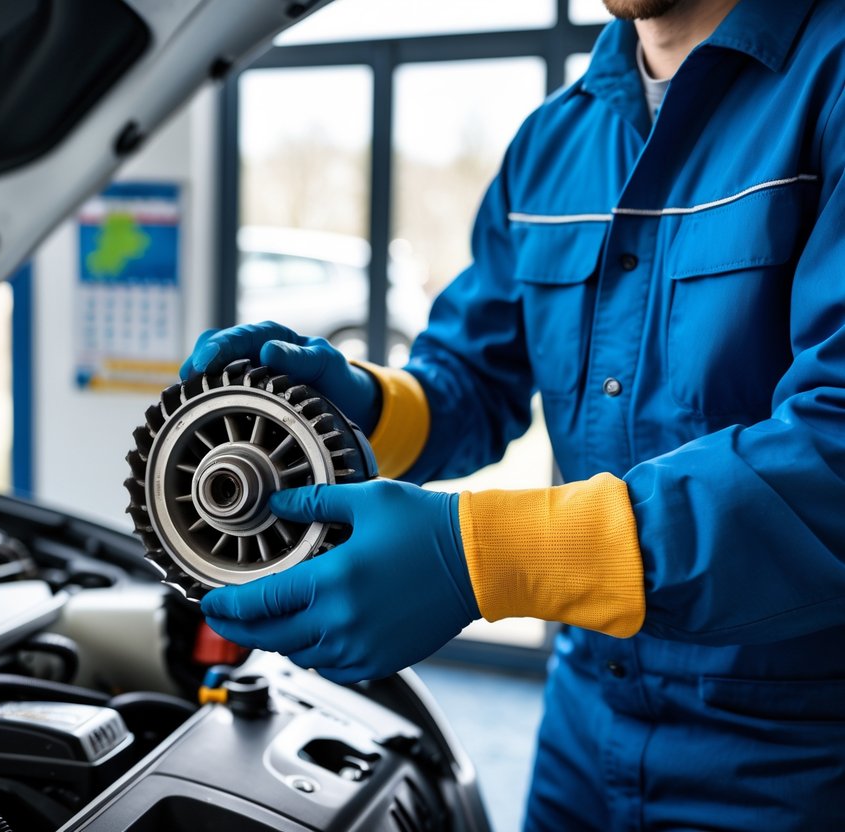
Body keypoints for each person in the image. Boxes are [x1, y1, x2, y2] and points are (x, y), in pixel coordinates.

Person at [181, 0, 845, 828]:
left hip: (800, 748)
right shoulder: (552, 142)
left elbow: (834, 449)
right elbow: (470, 379)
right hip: (584, 724)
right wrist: (358, 408)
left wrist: (481, 558)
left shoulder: (832, 82)